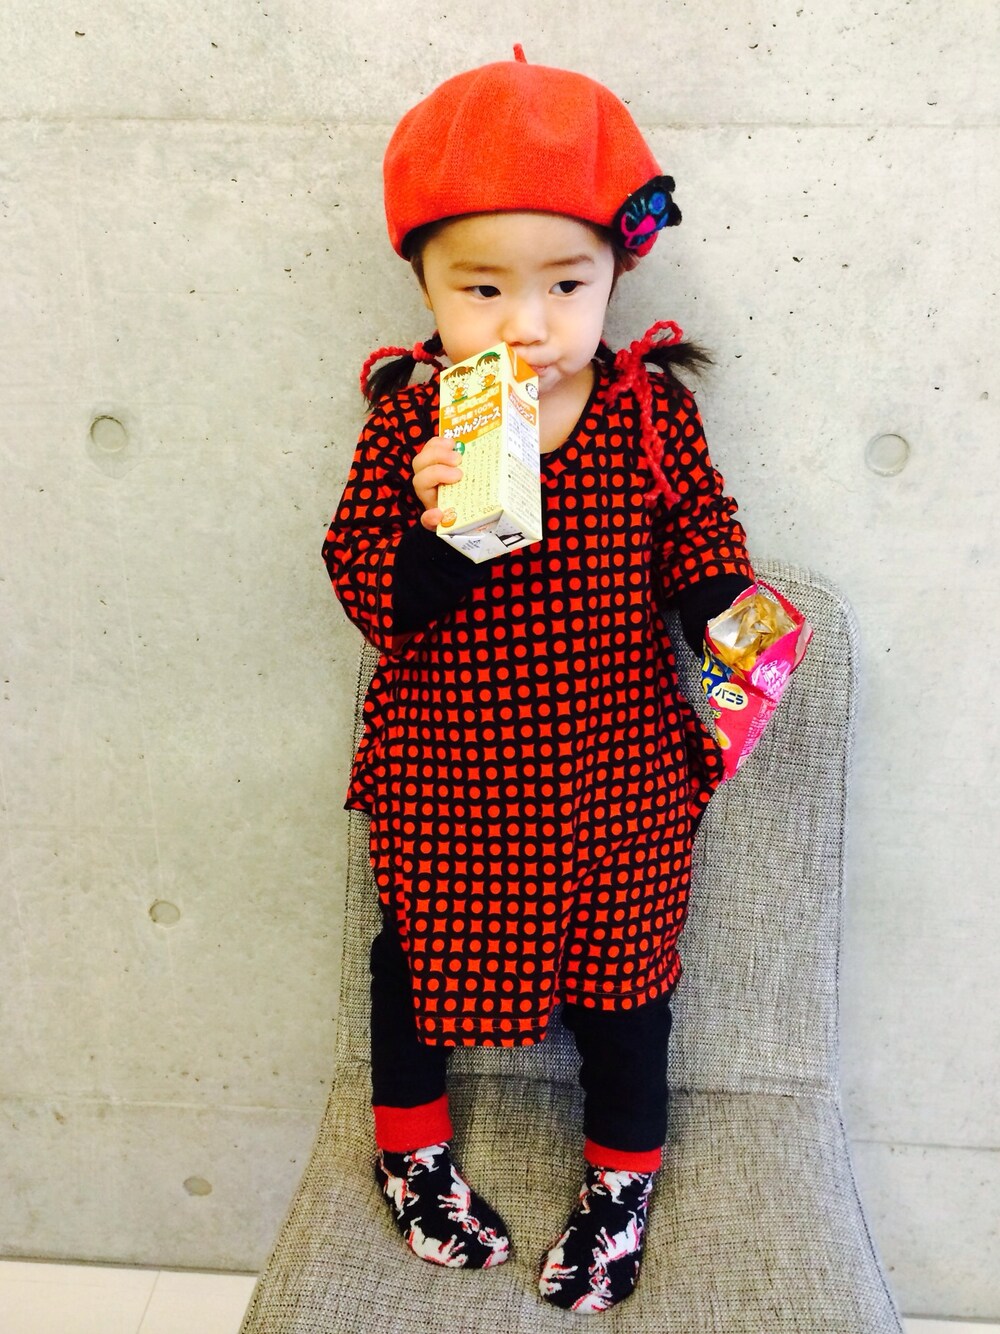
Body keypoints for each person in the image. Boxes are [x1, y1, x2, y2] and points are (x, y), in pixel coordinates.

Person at [322, 46, 756, 1314]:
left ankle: (620, 1177)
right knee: (417, 959)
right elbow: (369, 592)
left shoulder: (646, 414)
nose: (526, 324)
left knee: (628, 987)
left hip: (619, 770)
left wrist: (734, 629)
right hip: (451, 767)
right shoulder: (409, 425)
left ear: (618, 268)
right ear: (423, 283)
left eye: (565, 283)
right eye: (482, 287)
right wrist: (442, 524)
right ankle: (411, 1150)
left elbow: (701, 542)